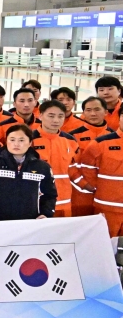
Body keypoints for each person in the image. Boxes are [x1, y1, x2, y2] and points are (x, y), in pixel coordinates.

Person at [0, 124, 57, 222]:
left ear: (30, 142)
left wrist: (46, 214)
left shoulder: (42, 167)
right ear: (6, 141)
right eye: (12, 140)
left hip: (31, 223)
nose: (16, 144)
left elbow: (50, 195)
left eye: (21, 140)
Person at [77, 109, 123, 237]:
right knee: (105, 246)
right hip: (107, 207)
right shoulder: (101, 143)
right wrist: (99, 188)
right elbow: (85, 168)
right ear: (119, 118)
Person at [31, 100, 80, 217]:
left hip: (64, 200)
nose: (56, 120)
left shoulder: (71, 141)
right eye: (51, 116)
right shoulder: (28, 139)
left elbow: (73, 169)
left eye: (60, 116)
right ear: (40, 115)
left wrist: (87, 186)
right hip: (37, 201)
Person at [69, 97, 113, 216]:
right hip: (79, 192)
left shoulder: (115, 137)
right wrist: (83, 184)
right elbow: (69, 165)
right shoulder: (72, 137)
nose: (93, 113)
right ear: (83, 113)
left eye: (97, 109)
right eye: (88, 110)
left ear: (105, 112)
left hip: (107, 193)